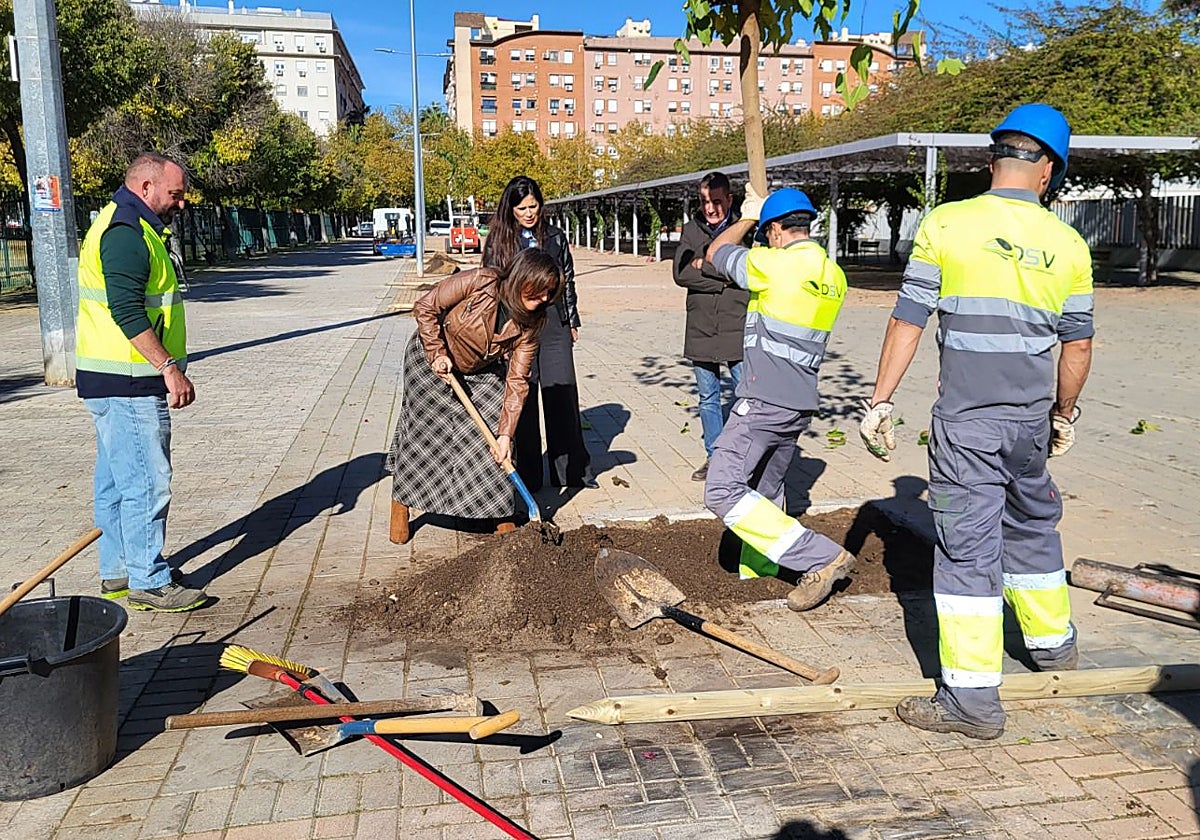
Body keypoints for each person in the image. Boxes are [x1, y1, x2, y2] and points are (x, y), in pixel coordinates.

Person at [859, 104, 1094, 740]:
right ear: (1048, 170)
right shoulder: (1069, 244)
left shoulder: (948, 224)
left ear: (995, 160)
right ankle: (1052, 647)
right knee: (1033, 528)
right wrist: (1063, 415)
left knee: (966, 556)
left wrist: (880, 401)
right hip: (1028, 427)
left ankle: (970, 701)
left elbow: (908, 320)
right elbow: (1077, 346)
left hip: (968, 426)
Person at [702, 186, 857, 610]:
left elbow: (717, 251)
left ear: (775, 231)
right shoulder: (833, 275)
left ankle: (822, 557)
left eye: (766, 231)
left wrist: (746, 217)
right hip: (799, 402)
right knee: (765, 489)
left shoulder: (773, 265)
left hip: (762, 399)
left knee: (722, 490)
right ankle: (761, 569)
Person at [76, 152, 208, 612]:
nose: (181, 203)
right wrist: (168, 367)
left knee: (116, 482)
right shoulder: (126, 233)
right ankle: (148, 579)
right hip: (128, 380)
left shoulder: (132, 224)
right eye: (174, 194)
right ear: (147, 187)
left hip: (112, 379)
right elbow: (127, 309)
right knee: (148, 482)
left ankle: (119, 571)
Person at [387, 248, 563, 543]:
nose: (544, 299)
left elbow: (518, 380)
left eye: (549, 293)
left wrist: (506, 434)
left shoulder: (533, 323)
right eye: (540, 290)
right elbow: (426, 306)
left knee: (493, 438)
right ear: (522, 278)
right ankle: (400, 506)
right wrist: (436, 352)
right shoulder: (481, 281)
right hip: (431, 360)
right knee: (424, 436)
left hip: (480, 370)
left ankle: (500, 512)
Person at [484, 175, 598, 491]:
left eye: (534, 206)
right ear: (511, 209)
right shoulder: (499, 242)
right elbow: (492, 287)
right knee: (525, 395)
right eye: (522, 208)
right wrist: (499, 333)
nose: (529, 213)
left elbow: (568, 281)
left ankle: (571, 471)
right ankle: (529, 474)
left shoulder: (555, 237)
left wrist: (572, 321)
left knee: (561, 393)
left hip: (553, 322)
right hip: (517, 324)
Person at [673, 172, 749, 482]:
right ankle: (714, 457)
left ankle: (745, 456)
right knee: (708, 397)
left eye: (717, 202)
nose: (711, 208)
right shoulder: (692, 230)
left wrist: (704, 264)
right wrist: (724, 274)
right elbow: (680, 273)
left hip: (737, 324)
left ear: (729, 200)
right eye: (705, 202)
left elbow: (747, 272)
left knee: (746, 396)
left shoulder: (745, 229)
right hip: (701, 326)